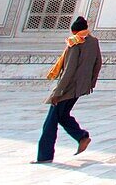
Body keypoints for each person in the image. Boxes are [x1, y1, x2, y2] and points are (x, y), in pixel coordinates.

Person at [35, 15, 102, 164]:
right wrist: (90, 83)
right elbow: (98, 63)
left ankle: (44, 156)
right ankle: (81, 137)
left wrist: (57, 92)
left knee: (50, 122)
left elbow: (69, 70)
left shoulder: (75, 42)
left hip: (68, 88)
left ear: (74, 31)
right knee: (63, 116)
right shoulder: (93, 42)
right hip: (81, 86)